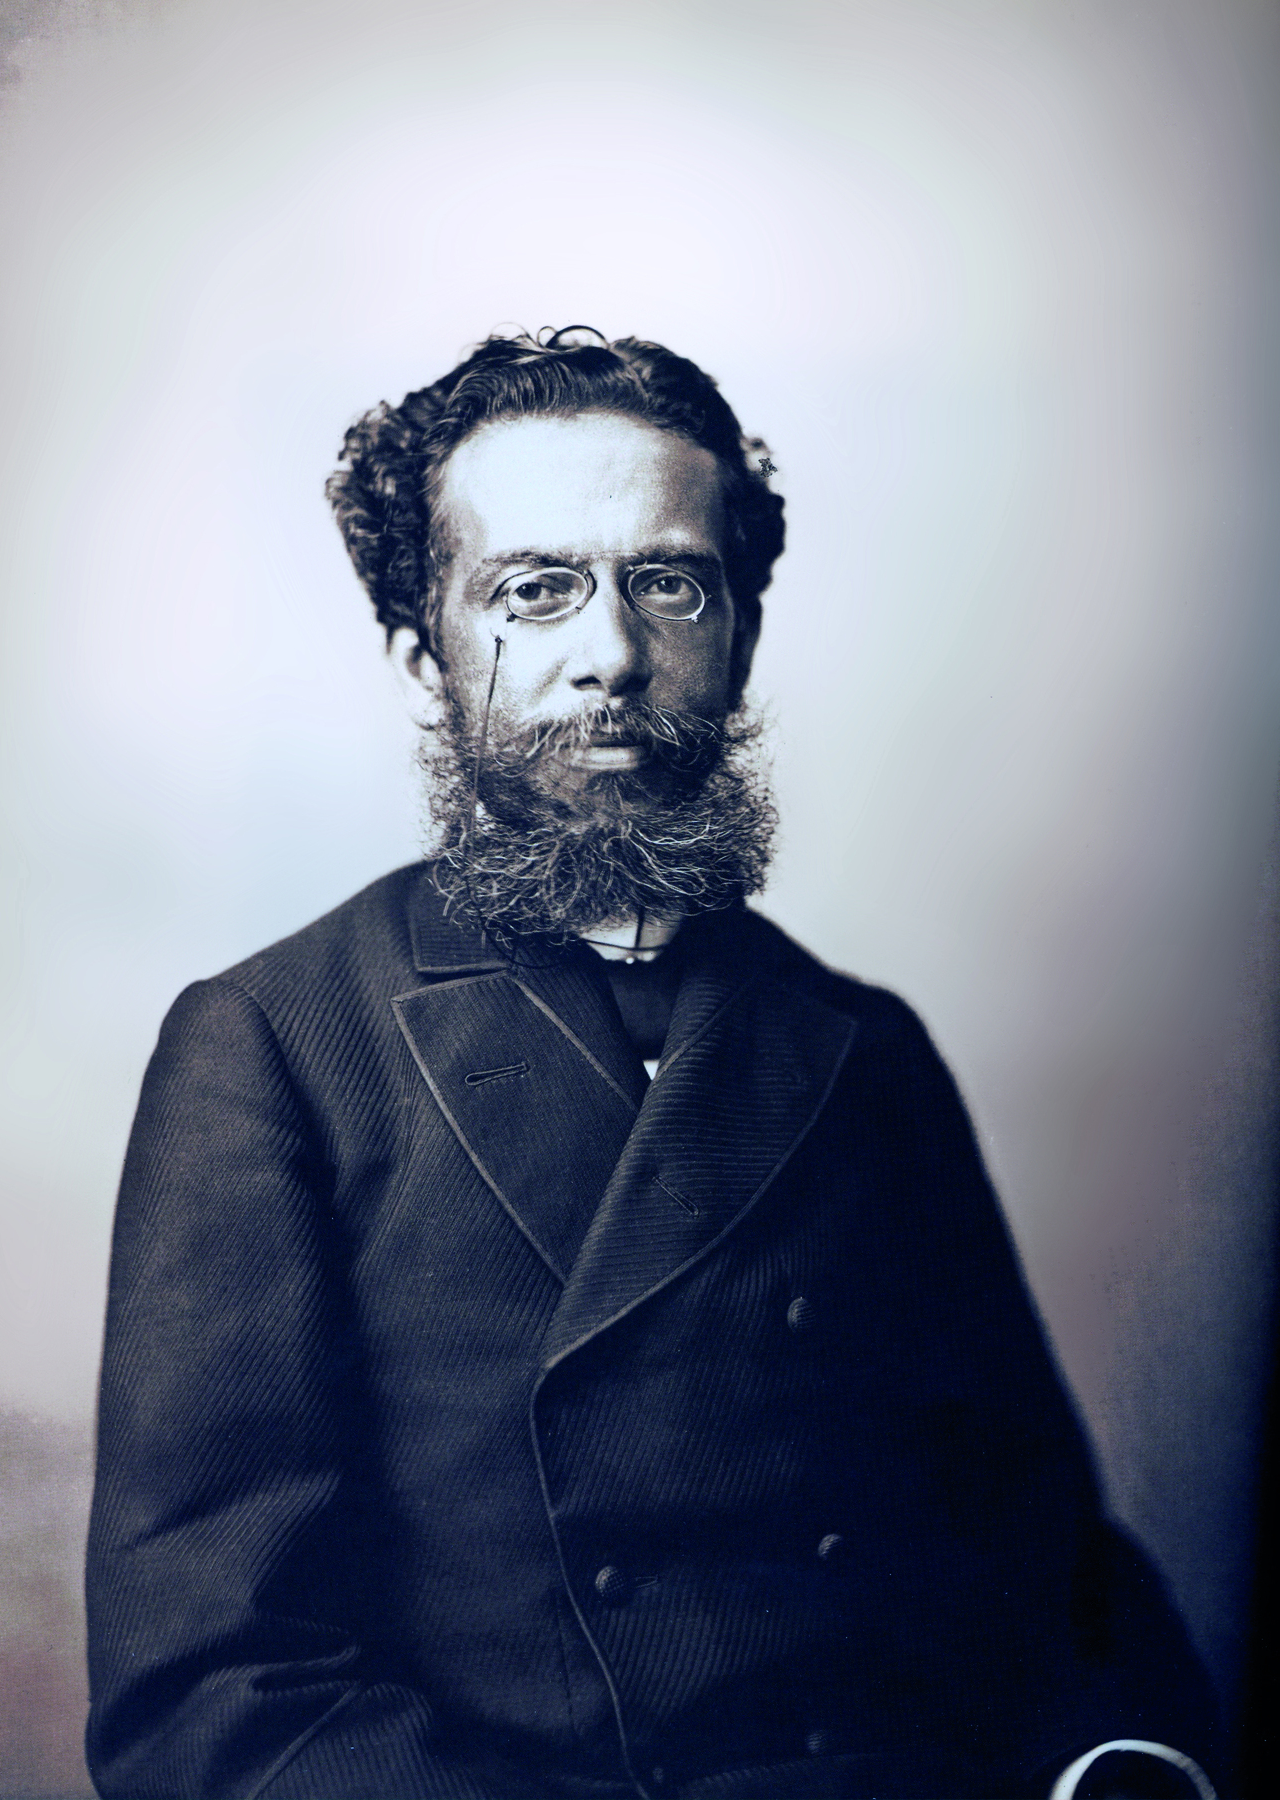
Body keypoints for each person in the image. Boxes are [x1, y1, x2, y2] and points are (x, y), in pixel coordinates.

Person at [85, 329, 1219, 1800]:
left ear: (735, 634)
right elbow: (211, 1695)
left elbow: (1049, 1564)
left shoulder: (861, 1046)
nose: (610, 653)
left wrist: (1123, 1766)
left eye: (665, 583)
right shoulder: (275, 1045)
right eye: (534, 590)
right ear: (422, 653)